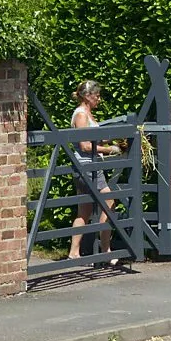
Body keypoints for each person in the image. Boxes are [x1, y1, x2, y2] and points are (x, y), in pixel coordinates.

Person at [67, 79, 121, 261]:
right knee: (109, 202)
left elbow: (93, 139)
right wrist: (109, 150)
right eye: (96, 96)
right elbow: (85, 146)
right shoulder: (81, 115)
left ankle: (74, 252)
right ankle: (106, 250)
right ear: (87, 96)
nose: (99, 99)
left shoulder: (87, 113)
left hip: (90, 166)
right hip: (88, 166)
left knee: (84, 210)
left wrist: (111, 140)